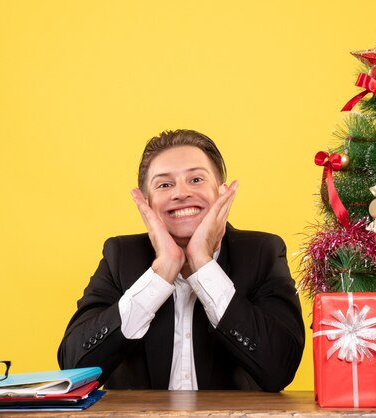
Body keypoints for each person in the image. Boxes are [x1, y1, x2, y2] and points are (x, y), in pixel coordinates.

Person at [58, 129, 305, 392]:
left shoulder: (262, 252)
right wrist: (161, 273)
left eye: (196, 179)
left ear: (222, 193)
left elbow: (280, 369)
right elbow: (75, 368)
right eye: (165, 184)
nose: (181, 193)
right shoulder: (120, 255)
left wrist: (203, 264)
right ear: (147, 202)